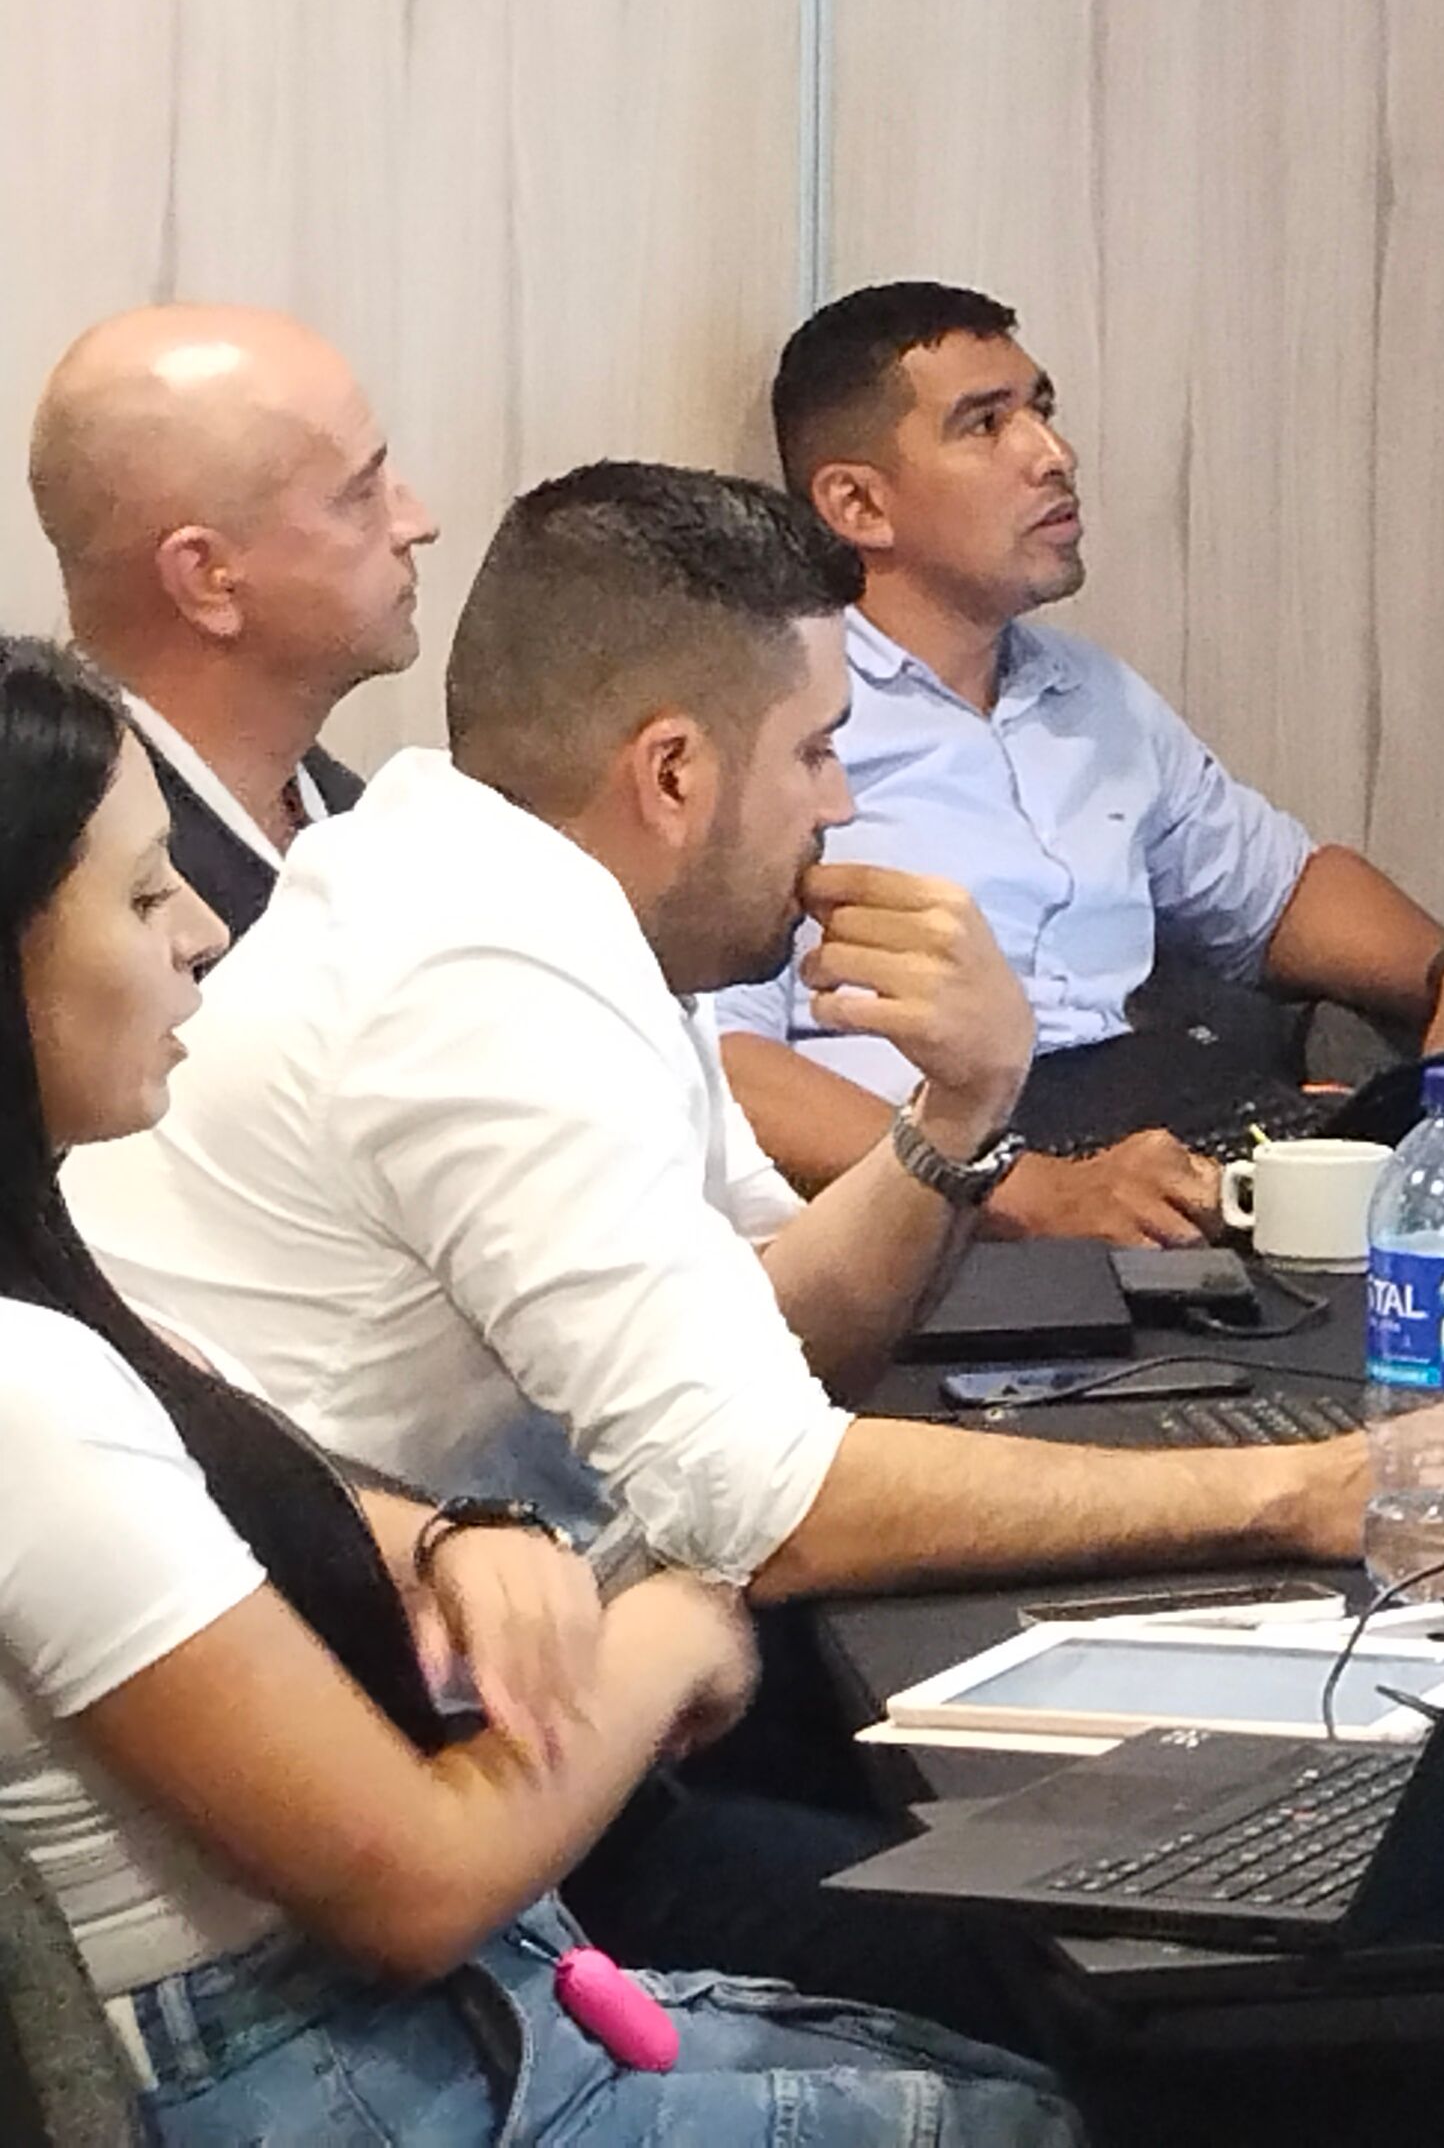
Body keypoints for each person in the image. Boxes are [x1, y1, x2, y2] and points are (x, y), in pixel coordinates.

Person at [62, 462, 1444, 2008]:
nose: (839, 806)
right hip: (386, 1841)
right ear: (671, 772)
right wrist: (1302, 1489)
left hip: (523, 1699)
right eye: (817, 750)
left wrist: (963, 1109)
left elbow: (786, 1343)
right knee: (1121, 1967)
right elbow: (766, 1509)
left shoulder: (521, 894)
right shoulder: (482, 976)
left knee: (1155, 1837)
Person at [0, 635, 1076, 2144]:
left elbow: (218, 1468)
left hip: (375, 2011)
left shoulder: (50, 1289)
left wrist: (455, 1534)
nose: (203, 931)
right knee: (1039, 2095)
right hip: (317, 2062)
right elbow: (416, 1887)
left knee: (1011, 2061)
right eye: (137, 896)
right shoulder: (28, 1397)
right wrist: (674, 1634)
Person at [712, 284, 1444, 1246]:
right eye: (986, 425)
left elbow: (1281, 892)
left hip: (1149, 1122)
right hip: (950, 1193)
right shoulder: (779, 718)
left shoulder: (1095, 696)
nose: (1052, 454)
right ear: (858, 503)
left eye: (1042, 410)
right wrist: (1027, 1192)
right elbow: (721, 1062)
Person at [26, 304, 441, 938]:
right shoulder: (77, 926)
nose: (417, 523)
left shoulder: (372, 834)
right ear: (207, 578)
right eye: (360, 494)